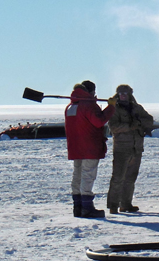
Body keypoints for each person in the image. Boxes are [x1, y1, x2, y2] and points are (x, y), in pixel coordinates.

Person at [64, 80, 115, 218]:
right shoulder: (88, 105)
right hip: (89, 146)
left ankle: (78, 207)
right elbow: (98, 121)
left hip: (76, 147)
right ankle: (87, 207)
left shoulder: (71, 106)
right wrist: (110, 107)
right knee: (88, 175)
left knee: (78, 174)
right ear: (91, 92)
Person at [106, 84, 154, 214]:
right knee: (118, 177)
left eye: (125, 93)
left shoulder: (137, 108)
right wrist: (130, 126)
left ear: (129, 94)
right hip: (122, 148)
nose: (123, 95)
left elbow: (150, 120)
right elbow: (114, 127)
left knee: (130, 178)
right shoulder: (114, 109)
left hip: (136, 148)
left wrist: (139, 123)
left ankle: (126, 204)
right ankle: (113, 206)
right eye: (120, 93)